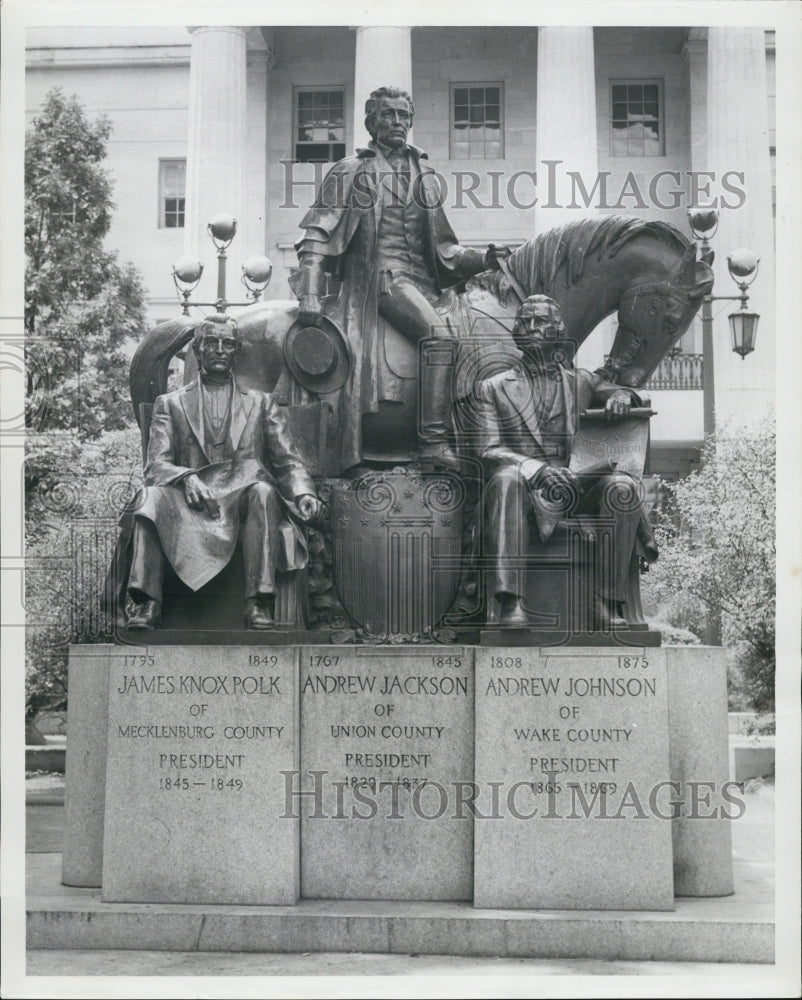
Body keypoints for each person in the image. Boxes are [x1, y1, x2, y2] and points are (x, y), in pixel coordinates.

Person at [291, 84, 507, 471]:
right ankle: (432, 445)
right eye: (388, 114)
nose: (396, 122)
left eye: (403, 115)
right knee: (439, 337)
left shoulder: (425, 175)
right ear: (371, 122)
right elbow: (317, 232)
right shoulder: (352, 170)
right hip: (381, 280)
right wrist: (309, 290)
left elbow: (446, 251)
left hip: (423, 282)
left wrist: (486, 258)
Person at [126, 314, 324, 630]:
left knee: (263, 491)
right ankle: (147, 605)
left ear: (236, 352)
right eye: (212, 343)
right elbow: (155, 466)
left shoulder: (261, 403)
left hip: (242, 497)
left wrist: (303, 492)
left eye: (228, 344)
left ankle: (258, 603)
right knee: (149, 496)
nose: (220, 350)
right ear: (197, 350)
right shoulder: (170, 404)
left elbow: (288, 460)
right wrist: (186, 477)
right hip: (190, 500)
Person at [471, 294, 658, 629]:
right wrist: (539, 471)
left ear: (557, 329)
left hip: (577, 486)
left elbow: (620, 390)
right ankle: (510, 604)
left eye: (541, 321)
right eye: (525, 322)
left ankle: (607, 603)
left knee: (622, 487)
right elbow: (488, 450)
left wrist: (620, 396)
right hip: (527, 489)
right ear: (516, 331)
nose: (532, 328)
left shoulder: (581, 381)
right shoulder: (492, 388)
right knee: (504, 479)